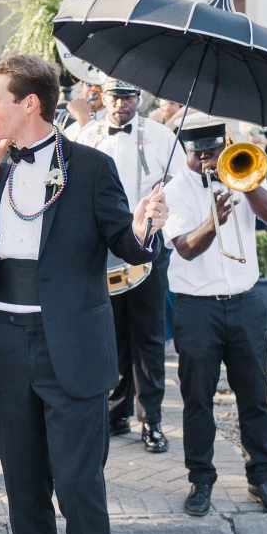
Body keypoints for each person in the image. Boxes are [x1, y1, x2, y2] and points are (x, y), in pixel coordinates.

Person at [0, 54, 168, 534]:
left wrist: (146, 226)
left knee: (80, 484)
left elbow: (126, 245)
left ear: (29, 104)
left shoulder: (91, 167)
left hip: (74, 346)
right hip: (6, 342)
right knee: (23, 487)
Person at [162, 116, 267, 520]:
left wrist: (246, 184)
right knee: (197, 398)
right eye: (199, 154)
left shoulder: (243, 167)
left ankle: (262, 477)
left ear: (224, 147)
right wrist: (213, 219)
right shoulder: (175, 190)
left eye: (213, 152)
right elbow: (185, 248)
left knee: (255, 395)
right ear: (187, 152)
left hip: (245, 303)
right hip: (196, 307)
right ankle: (201, 480)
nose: (207, 161)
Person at [74, 78, 185, 453]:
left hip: (148, 243)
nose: (123, 103)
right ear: (102, 98)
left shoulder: (161, 136)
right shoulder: (85, 136)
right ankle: (116, 411)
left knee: (149, 337)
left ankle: (151, 419)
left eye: (129, 96)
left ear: (140, 98)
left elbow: (179, 179)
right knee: (112, 334)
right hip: (103, 248)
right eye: (116, 96)